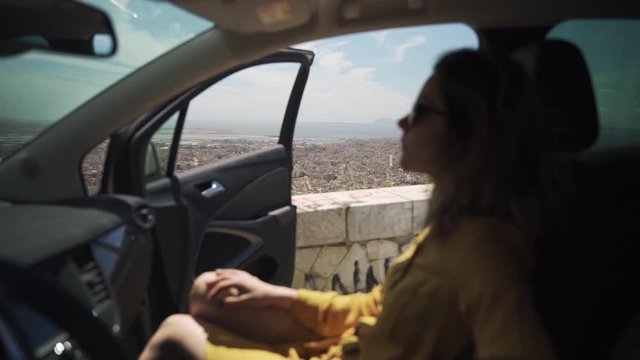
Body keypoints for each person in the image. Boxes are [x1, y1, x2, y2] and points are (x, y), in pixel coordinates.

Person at [139, 49, 561, 360]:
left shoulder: (483, 249)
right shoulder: (453, 226)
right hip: (346, 345)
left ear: (469, 133)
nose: (403, 122)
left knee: (174, 334)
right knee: (207, 294)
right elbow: (376, 307)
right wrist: (274, 295)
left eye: (423, 110)